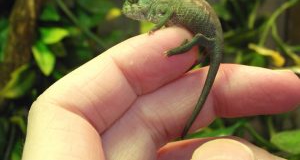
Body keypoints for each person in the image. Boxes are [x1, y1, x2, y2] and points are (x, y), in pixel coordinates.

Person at [21, 27, 300, 160]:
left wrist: (162, 30)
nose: (131, 7)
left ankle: (189, 47)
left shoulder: (162, 4)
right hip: (206, 39)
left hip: (210, 37)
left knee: (198, 61)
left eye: (134, 0)